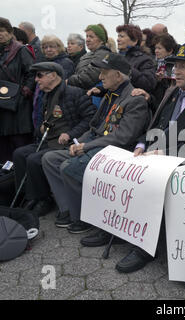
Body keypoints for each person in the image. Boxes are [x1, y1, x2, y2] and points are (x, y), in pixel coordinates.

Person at [79, 44, 185, 274]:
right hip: (154, 153)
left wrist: (166, 154)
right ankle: (117, 228)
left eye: (183, 66)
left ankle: (147, 247)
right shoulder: (173, 91)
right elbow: (157, 125)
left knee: (151, 184)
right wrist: (141, 143)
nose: (176, 70)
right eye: (175, 65)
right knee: (123, 172)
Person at [42, 53, 150, 234]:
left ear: (117, 75)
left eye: (104, 73)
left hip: (114, 150)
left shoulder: (135, 99)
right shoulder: (110, 95)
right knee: (50, 159)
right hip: (96, 143)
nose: (99, 77)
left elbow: (122, 137)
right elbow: (94, 127)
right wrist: (78, 142)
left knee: (69, 167)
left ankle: (82, 218)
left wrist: (85, 146)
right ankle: (67, 209)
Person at [13, 62, 96, 216]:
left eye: (40, 75)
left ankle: (44, 199)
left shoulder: (75, 93)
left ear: (53, 75)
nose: (36, 80)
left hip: (67, 142)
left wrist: (70, 134)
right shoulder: (46, 95)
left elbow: (89, 119)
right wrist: (41, 128)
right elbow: (45, 120)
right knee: (19, 154)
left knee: (33, 159)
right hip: (49, 139)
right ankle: (29, 196)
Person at [0, 17, 35, 163]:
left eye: (1, 31)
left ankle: (20, 183)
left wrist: (23, 93)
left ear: (9, 32)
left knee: (19, 148)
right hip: (1, 106)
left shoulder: (21, 50)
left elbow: (32, 73)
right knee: (2, 151)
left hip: (18, 108)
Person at [32, 35, 75, 134]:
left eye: (52, 46)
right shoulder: (44, 63)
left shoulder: (65, 63)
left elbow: (60, 86)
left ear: (59, 47)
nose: (48, 49)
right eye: (45, 47)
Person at [67, 24, 111, 90]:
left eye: (91, 37)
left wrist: (68, 81)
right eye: (87, 36)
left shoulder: (103, 54)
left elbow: (88, 78)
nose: (87, 40)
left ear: (101, 40)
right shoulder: (88, 55)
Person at [116, 24, 157, 93]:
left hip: (131, 100)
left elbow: (149, 83)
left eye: (122, 36)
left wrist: (129, 70)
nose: (118, 39)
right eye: (118, 36)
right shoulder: (117, 57)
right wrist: (101, 89)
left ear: (134, 41)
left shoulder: (145, 60)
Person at [151, 33, 179, 110]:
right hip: (154, 101)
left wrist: (164, 80)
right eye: (155, 48)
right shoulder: (152, 63)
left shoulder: (175, 65)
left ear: (170, 50)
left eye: (159, 48)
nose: (156, 51)